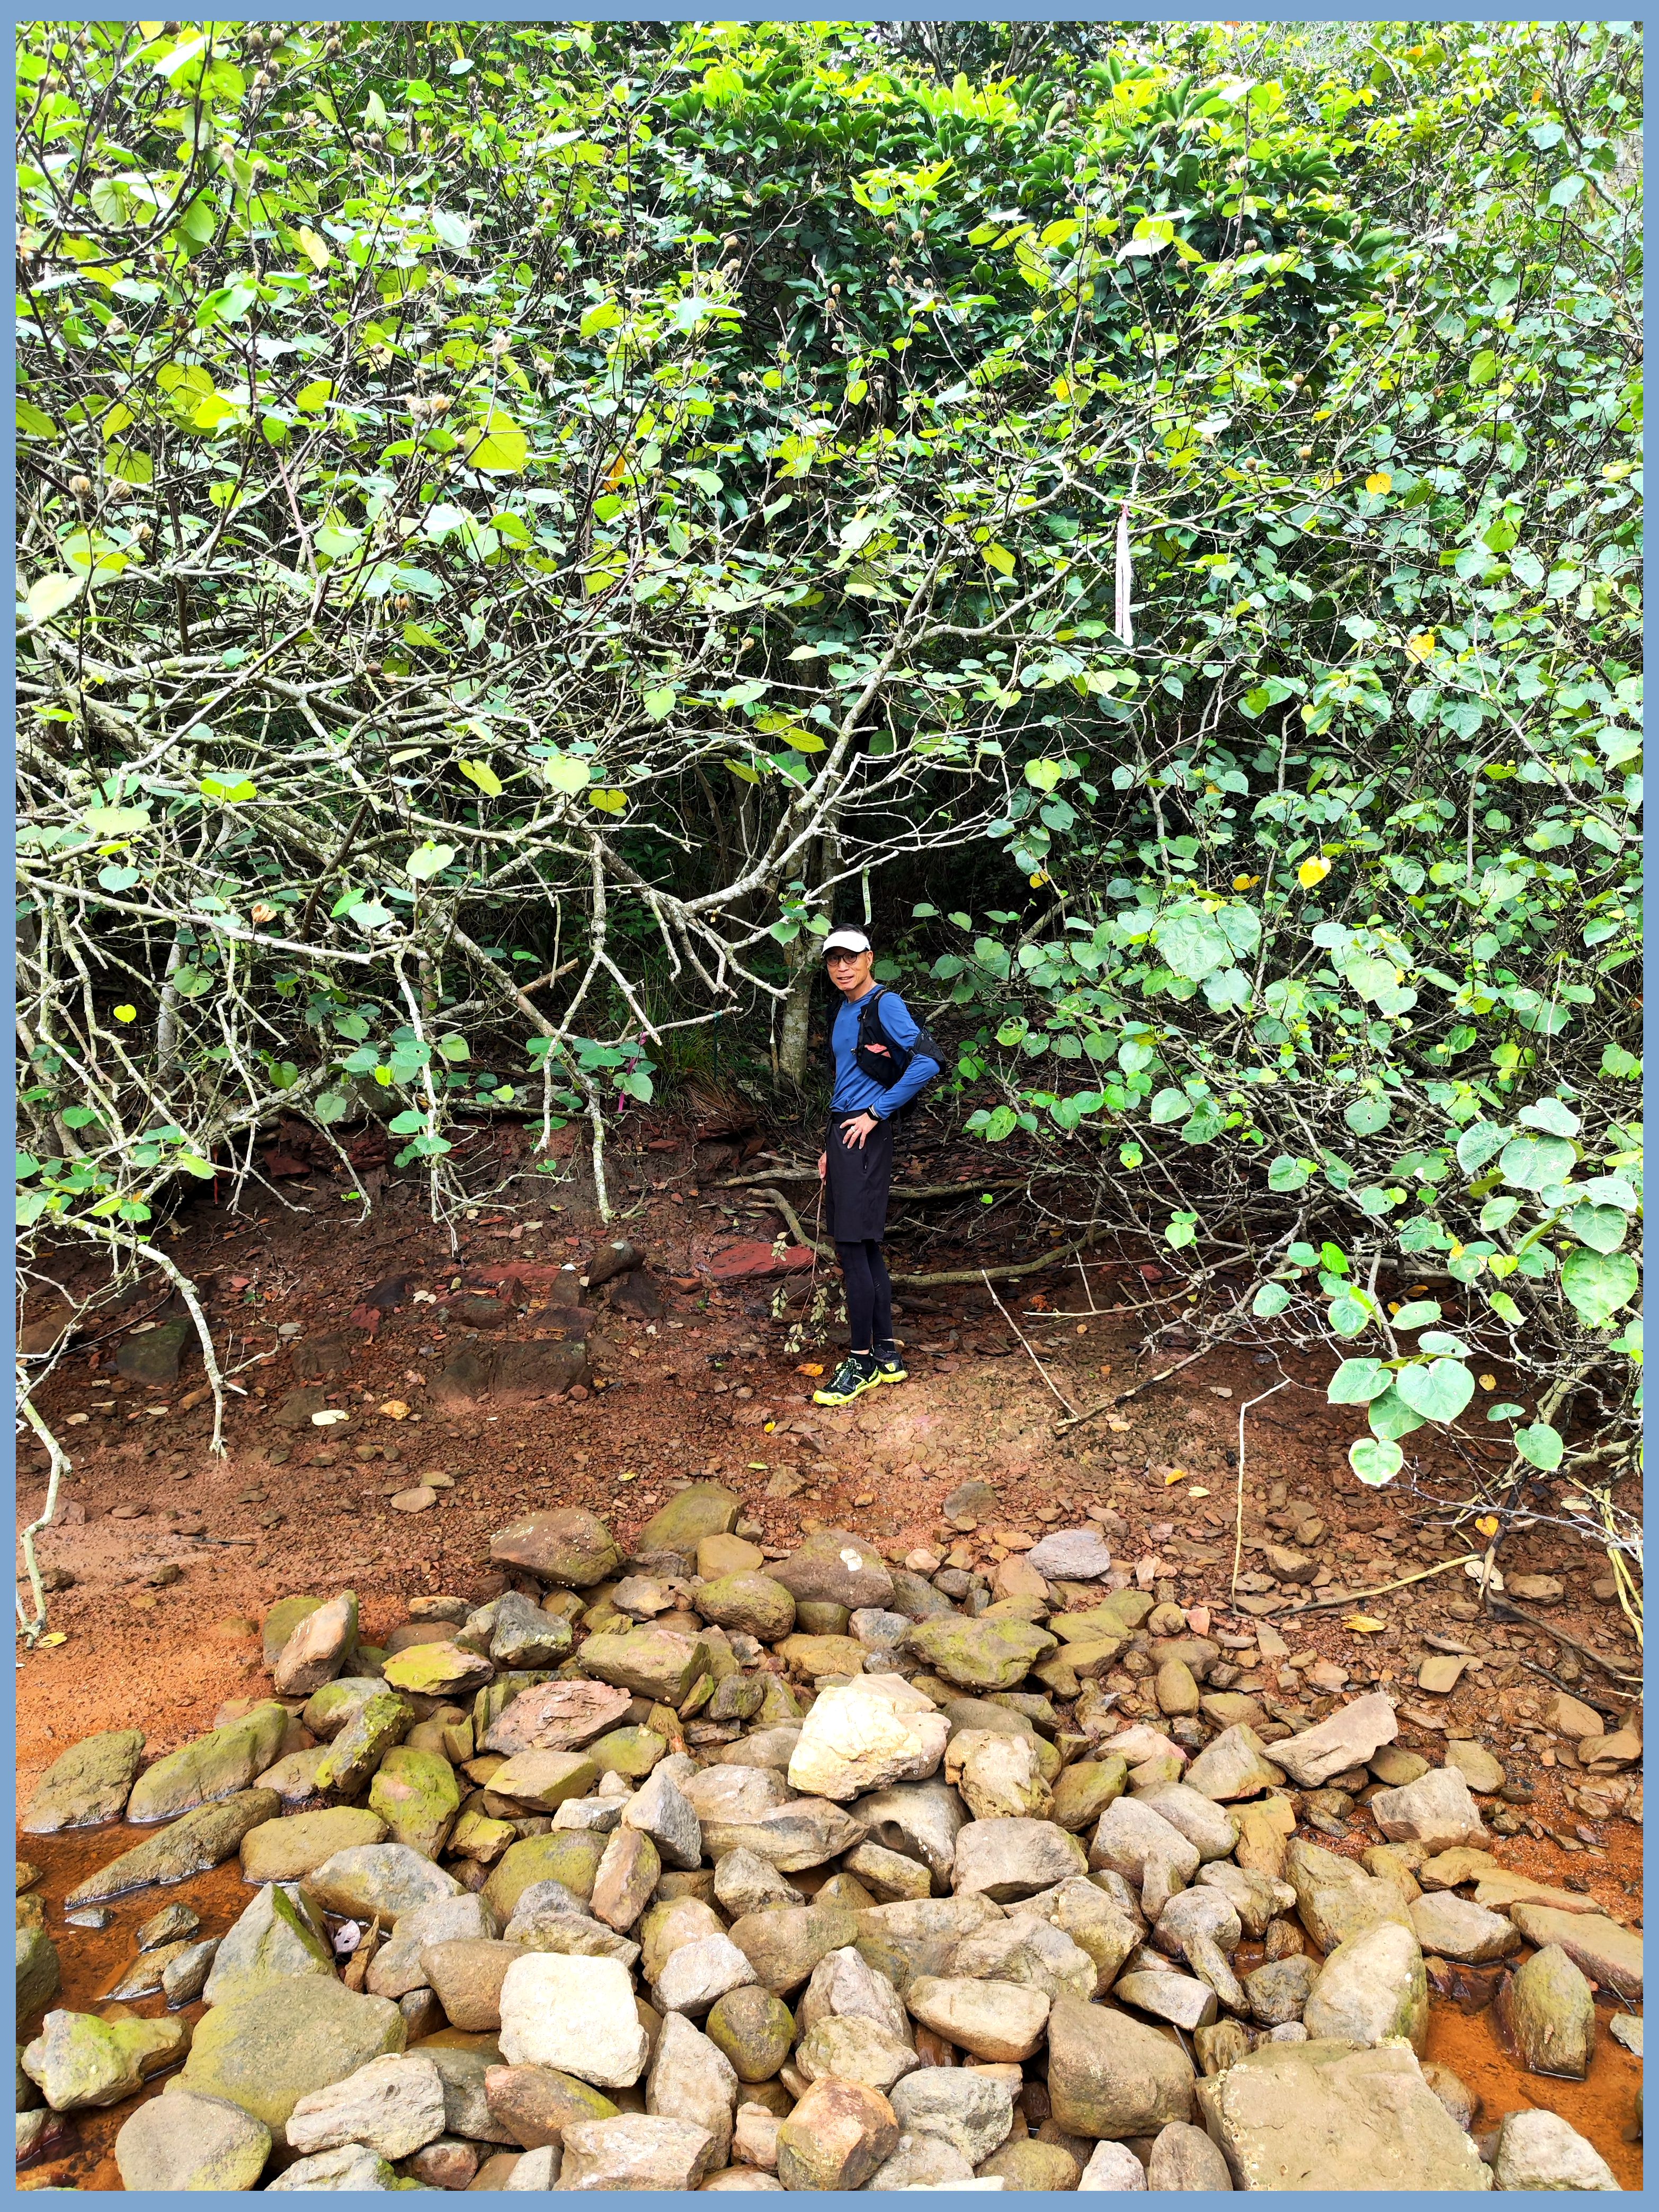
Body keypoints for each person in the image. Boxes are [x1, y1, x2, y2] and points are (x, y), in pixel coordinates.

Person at [811, 927, 940, 1407]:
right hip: (845, 1133)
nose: (842, 968)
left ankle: (860, 1361)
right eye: (834, 960)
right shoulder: (845, 1009)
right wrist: (831, 1144)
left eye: (851, 958)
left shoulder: (885, 1004)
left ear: (870, 957)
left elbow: (928, 1061)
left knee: (851, 1249)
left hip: (864, 1133)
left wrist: (875, 1113)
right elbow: (848, 1078)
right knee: (865, 1248)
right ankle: (886, 1355)